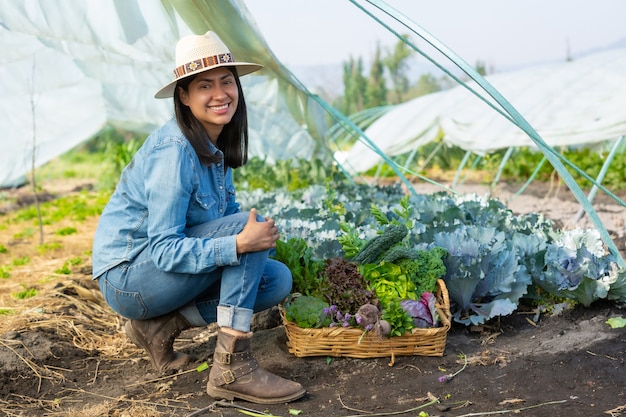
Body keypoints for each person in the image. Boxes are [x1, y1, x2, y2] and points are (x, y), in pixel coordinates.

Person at [92, 31, 306, 404]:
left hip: (158, 276)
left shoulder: (214, 148)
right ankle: (232, 366)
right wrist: (239, 242)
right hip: (128, 277)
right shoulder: (173, 151)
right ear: (184, 96)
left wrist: (245, 246)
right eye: (205, 85)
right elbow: (163, 251)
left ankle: (159, 327)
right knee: (245, 229)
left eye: (227, 82)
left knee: (275, 280)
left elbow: (221, 233)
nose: (220, 94)